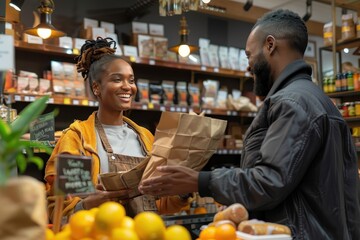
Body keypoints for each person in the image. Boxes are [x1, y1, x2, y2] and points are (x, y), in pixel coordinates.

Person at [139, 9, 360, 239]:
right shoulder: (319, 100)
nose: (248, 66)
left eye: (249, 55)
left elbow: (269, 181)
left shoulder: (293, 102)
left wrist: (198, 181)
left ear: (270, 45)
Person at [44, 37, 189, 220]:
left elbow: (158, 203)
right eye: (117, 79)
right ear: (97, 87)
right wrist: (87, 204)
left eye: (131, 80)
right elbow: (57, 207)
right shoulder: (78, 138)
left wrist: (183, 190)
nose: (127, 87)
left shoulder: (145, 138)